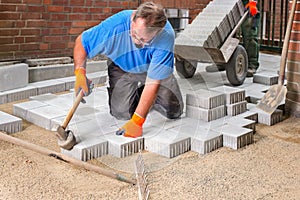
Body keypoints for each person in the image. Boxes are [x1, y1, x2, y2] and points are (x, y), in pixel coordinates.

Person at [73, 2, 183, 138]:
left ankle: (148, 96)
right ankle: (141, 95)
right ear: (133, 19)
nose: (136, 41)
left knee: (173, 111)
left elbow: (153, 82)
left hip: (151, 70)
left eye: (143, 40)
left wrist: (138, 121)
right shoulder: (114, 26)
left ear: (157, 33)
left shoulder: (166, 36)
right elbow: (82, 42)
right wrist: (80, 73)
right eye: (134, 33)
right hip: (121, 67)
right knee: (121, 113)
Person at [242, 0, 260, 77]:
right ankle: (222, 61)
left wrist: (252, 2)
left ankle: (251, 64)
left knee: (250, 34)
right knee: (225, 31)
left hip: (248, 3)